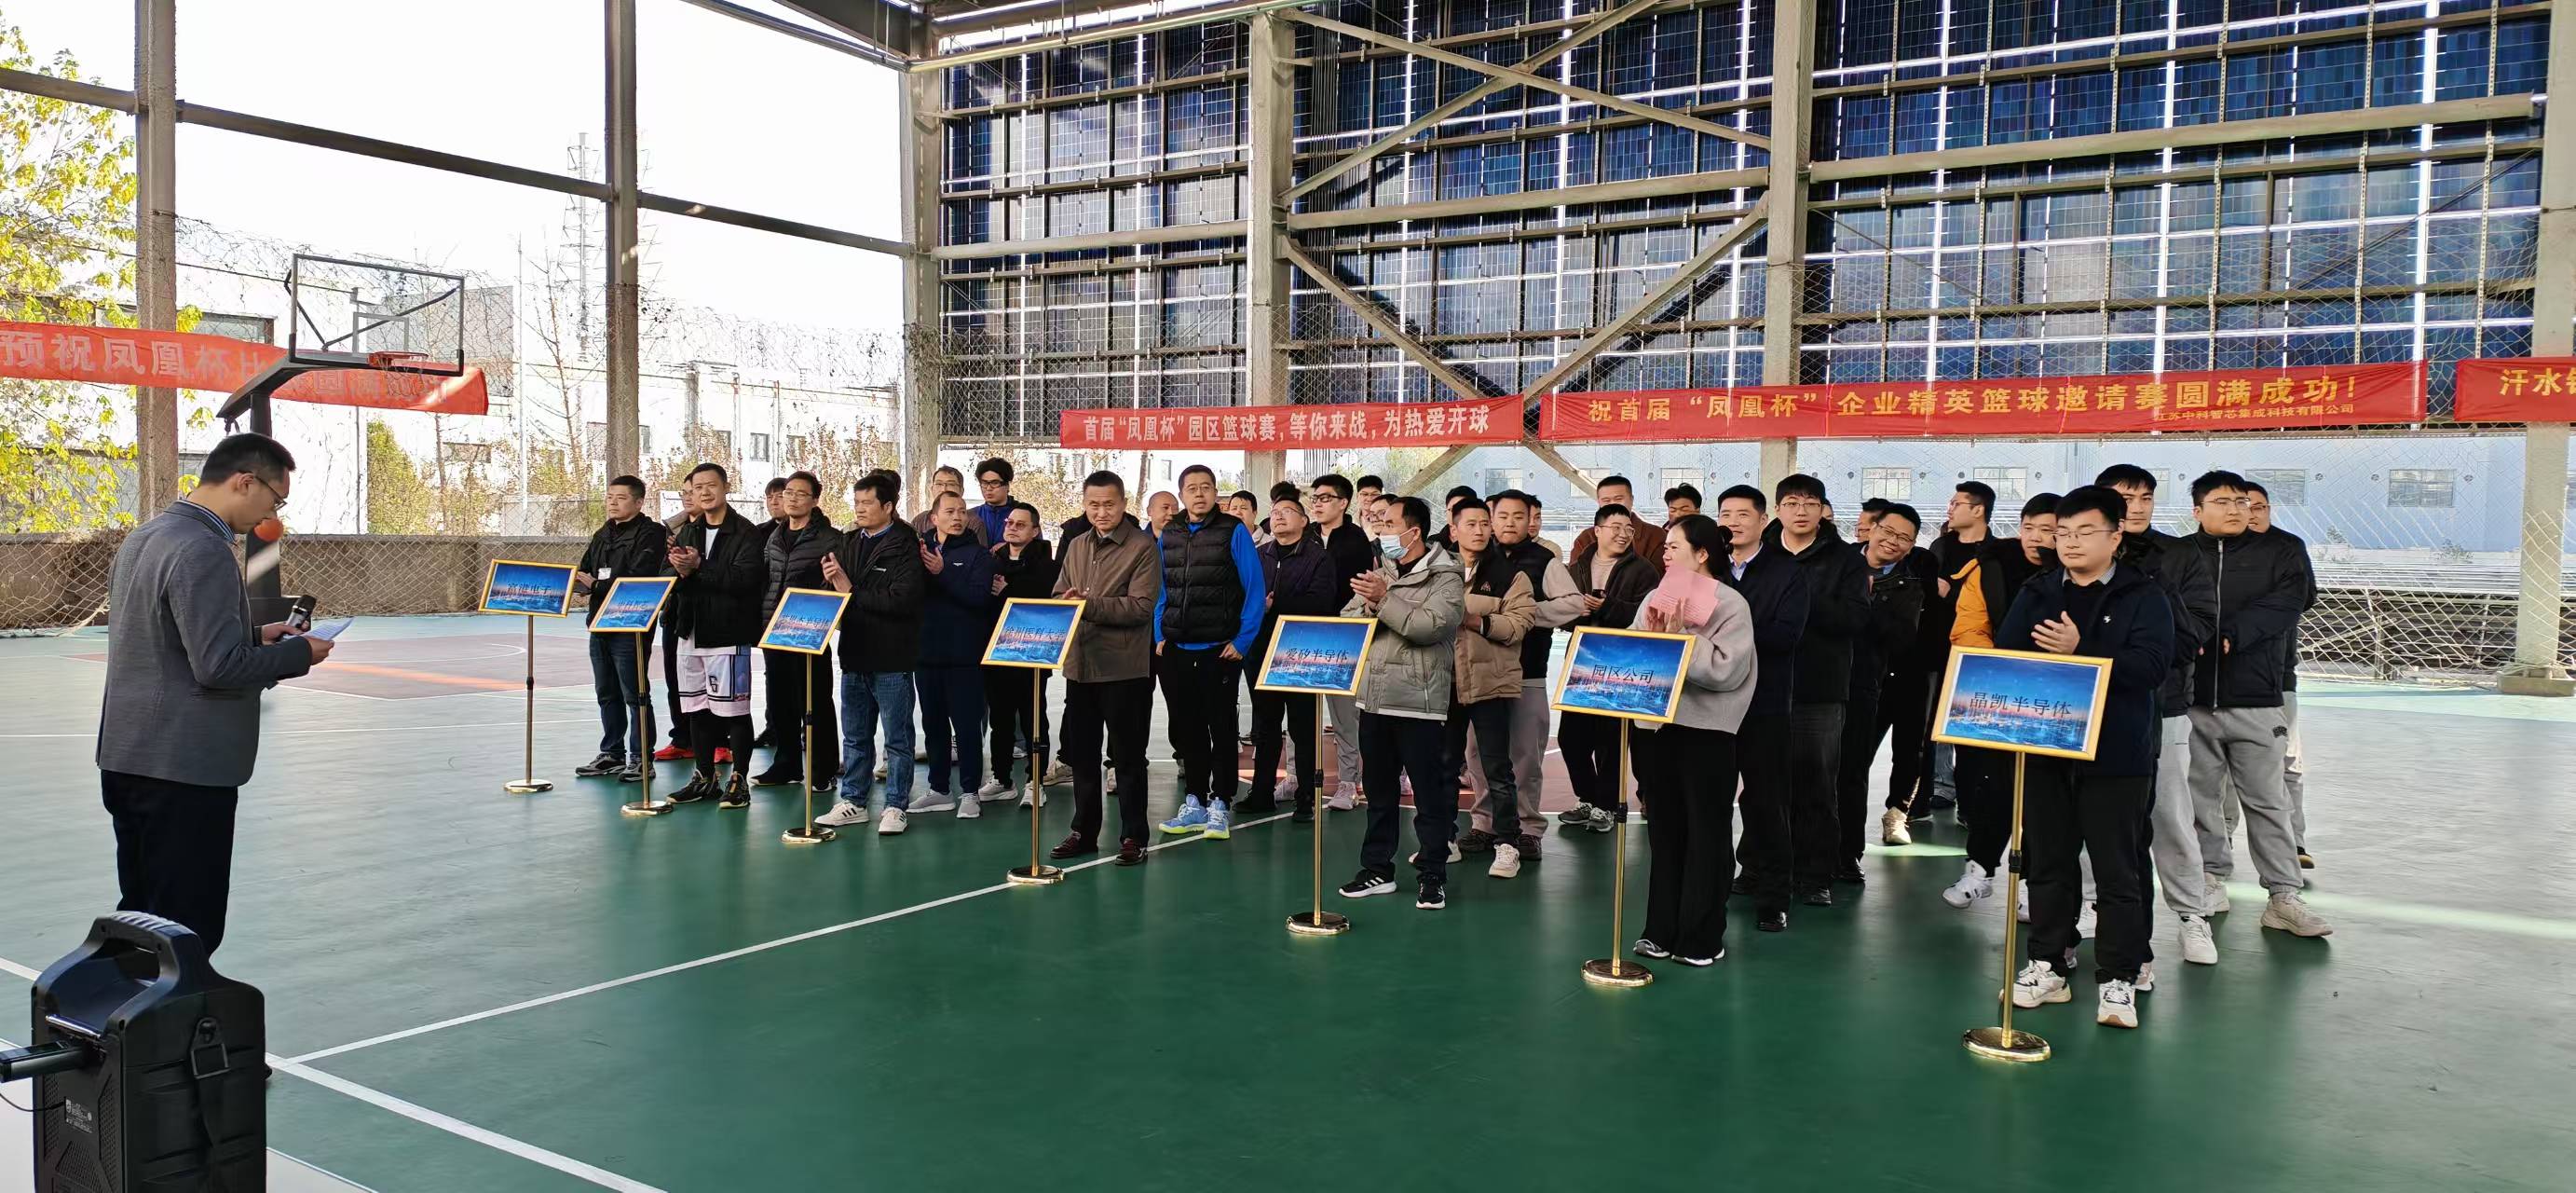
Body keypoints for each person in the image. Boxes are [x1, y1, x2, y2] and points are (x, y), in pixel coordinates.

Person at [97, 432, 333, 953]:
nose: (271, 514)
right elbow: (218, 667)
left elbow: (164, 639)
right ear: (245, 482)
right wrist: (298, 654)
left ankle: (125, 1001)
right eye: (275, 499)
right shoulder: (205, 549)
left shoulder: (146, 537)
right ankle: (173, 1006)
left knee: (142, 917)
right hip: (183, 768)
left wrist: (255, 635)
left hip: (128, 757)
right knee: (186, 929)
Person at [1996, 486, 2172, 1029]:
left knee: (2118, 869)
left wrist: (2083, 652)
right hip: (2047, 747)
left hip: (2116, 754)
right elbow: (2006, 652)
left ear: (2116, 537)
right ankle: (2048, 963)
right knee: (2048, 861)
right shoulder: (2038, 590)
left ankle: (2119, 975)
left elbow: (2151, 668)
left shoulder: (2144, 595)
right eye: (2062, 533)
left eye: (2085, 532)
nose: (2070, 543)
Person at [2181, 470, 2332, 938]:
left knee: (2268, 801)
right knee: (2201, 800)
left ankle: (2284, 895)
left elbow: (2291, 602)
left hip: (2258, 697)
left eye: (2241, 502)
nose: (2235, 509)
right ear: (2197, 510)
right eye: (2222, 502)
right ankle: (2210, 879)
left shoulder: (2281, 551)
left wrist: (2233, 634)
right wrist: (2192, 637)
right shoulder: (2178, 555)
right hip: (2192, 700)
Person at [2096, 462, 2226, 961]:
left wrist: (2145, 616)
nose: (2136, 507)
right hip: (2089, 705)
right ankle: (2088, 902)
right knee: (2090, 814)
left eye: (2145, 497)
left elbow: (2196, 630)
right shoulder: (2082, 552)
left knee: (2170, 812)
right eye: (2124, 497)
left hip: (2162, 703)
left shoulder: (2179, 556)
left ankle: (2192, 914)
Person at [1629, 514, 1758, 966]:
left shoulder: (1731, 604)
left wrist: (1682, 637)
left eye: (1674, 546)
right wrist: (1651, 638)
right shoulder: (1655, 597)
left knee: (1707, 833)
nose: (1665, 553)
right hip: (1657, 727)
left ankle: (1702, 937)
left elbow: (1726, 671)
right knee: (1665, 832)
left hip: (1708, 732)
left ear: (1702, 554)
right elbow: (1636, 651)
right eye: (1665, 546)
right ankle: (1660, 931)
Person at [1336, 496, 1465, 910]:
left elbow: (1429, 627)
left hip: (1419, 702)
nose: (1382, 530)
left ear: (1414, 531)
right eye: (1379, 523)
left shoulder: (1446, 577)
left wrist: (1383, 599)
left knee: (1429, 796)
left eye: (1389, 523)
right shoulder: (1380, 573)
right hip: (1374, 699)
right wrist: (1371, 602)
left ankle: (1432, 874)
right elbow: (1348, 620)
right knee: (1378, 793)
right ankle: (1377, 869)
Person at [1928, 494, 2056, 907]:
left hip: (2056, 696)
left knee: (2042, 793)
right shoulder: (1990, 566)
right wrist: (2001, 664)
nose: (2037, 538)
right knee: (1991, 785)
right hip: (1998, 691)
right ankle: (1980, 868)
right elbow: (1968, 627)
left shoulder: (2071, 572)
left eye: (2048, 531)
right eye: (2029, 528)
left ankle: (2034, 884)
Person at [1765, 474, 1868, 906]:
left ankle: (1815, 875)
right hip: (1764, 686)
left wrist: (1799, 597)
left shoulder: (1846, 560)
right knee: (1765, 785)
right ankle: (1760, 868)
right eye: (1792, 503)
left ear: (1823, 510)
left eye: (1810, 503)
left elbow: (1856, 619)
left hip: (1820, 688)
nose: (1801, 511)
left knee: (1818, 785)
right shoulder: (1761, 554)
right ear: (1778, 510)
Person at [1052, 472, 1164, 865]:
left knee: (1128, 758)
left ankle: (1134, 836)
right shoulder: (1077, 544)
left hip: (1123, 670)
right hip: (1080, 667)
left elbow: (1141, 607)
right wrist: (1066, 601)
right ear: (1085, 504)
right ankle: (1083, 832)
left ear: (1123, 504)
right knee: (1083, 757)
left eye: (1109, 504)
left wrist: (1086, 605)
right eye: (1094, 505)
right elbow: (1059, 593)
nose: (1101, 512)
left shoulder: (1142, 547)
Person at [1464, 490, 1583, 859]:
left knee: (1525, 755)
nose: (1510, 523)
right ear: (1491, 519)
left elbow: (1573, 604)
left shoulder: (1545, 561)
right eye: (1502, 516)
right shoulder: (1476, 559)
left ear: (1531, 520)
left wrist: (1525, 615)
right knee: (1478, 753)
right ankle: (1484, 823)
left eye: (1519, 516)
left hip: (1527, 671)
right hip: (1480, 673)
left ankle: (1528, 828)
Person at [1712, 485, 1810, 933]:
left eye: (1742, 515)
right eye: (1725, 514)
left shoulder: (1787, 571)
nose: (1733, 523)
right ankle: (1722, 884)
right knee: (1714, 800)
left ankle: (1774, 897)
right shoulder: (1709, 569)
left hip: (1764, 704)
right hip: (1711, 704)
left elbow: (1786, 637)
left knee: (1767, 802)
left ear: (1763, 520)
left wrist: (1726, 640)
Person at [1152, 464, 1268, 839]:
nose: (1199, 494)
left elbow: (1254, 589)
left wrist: (1242, 641)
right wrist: (1159, 633)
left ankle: (1221, 802)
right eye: (1192, 488)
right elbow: (1161, 587)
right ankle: (1195, 802)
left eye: (1206, 487)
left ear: (1216, 493)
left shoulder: (1233, 530)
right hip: (1176, 648)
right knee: (1187, 729)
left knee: (1221, 727)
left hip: (1220, 649)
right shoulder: (1170, 533)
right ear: (1182, 495)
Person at [818, 472, 928, 834]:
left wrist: (848, 590)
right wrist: (831, 583)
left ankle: (896, 805)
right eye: (857, 503)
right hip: (854, 653)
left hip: (892, 656)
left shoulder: (906, 547)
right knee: (855, 736)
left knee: (897, 738)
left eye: (867, 503)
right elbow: (837, 593)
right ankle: (853, 800)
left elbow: (901, 600)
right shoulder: (848, 543)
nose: (860, 509)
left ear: (888, 506)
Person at [1444, 497, 1537, 878]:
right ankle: (1443, 839)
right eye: (1471, 524)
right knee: (1444, 765)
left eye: (1486, 523)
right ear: (1453, 530)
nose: (1481, 530)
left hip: (1490, 684)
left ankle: (1507, 844)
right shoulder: (1438, 571)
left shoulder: (1511, 576)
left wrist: (1476, 621)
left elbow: (1519, 624)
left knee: (1498, 768)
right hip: (1446, 683)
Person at [667, 462, 768, 808]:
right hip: (690, 632)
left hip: (727, 633)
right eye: (698, 488)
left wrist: (699, 567)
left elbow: (745, 580)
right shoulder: (689, 531)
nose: (705, 492)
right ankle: (704, 776)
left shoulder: (745, 532)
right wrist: (680, 571)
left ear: (726, 487)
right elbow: (671, 575)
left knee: (734, 710)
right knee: (697, 708)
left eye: (711, 485)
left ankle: (739, 779)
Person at [1835, 501, 1927, 882]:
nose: (1893, 541)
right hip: (1823, 681)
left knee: (1853, 771)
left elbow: (1901, 638)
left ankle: (1847, 855)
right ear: (1871, 529)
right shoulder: (1837, 564)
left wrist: (1864, 606)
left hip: (1867, 685)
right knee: (1813, 769)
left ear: (1911, 546)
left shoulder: (1909, 585)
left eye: (1904, 538)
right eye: (1887, 531)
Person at [1559, 503, 1660, 830]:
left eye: (1628, 529)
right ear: (1597, 530)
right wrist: (1577, 611)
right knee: (1570, 738)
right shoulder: (1577, 567)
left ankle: (1606, 805)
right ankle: (1587, 798)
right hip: (1581, 660)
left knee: (1610, 741)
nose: (1623, 534)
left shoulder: (1643, 570)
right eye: (1615, 527)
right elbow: (1559, 613)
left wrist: (1608, 606)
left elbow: (1647, 615)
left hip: (1620, 663)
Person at [1248, 490, 1343, 821]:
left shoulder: (1319, 558)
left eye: (1287, 510)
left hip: (1300, 653)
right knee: (1265, 726)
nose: (1278, 515)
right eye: (1275, 511)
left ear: (1304, 521)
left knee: (1303, 729)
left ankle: (1306, 799)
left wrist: (1274, 606)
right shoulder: (1258, 555)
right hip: (1261, 650)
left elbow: (1322, 603)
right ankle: (1261, 793)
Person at [2238, 482, 2317, 868]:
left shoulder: (2288, 548)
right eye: (2244, 506)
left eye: (2260, 507)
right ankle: (2216, 852)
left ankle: (2294, 844)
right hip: (2221, 681)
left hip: (2277, 676)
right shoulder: (2213, 552)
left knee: (2287, 761)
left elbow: (2304, 598)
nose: (2252, 514)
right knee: (2218, 774)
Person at [748, 471, 842, 792]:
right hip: (774, 630)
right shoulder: (774, 536)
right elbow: (767, 578)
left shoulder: (829, 538)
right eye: (788, 492)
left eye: (801, 493)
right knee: (780, 702)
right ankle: (786, 764)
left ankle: (823, 769)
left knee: (815, 702)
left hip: (809, 630)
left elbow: (832, 584)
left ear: (815, 500)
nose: (792, 498)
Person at [573, 473, 670, 783]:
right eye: (610, 497)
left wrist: (597, 585)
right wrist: (581, 584)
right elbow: (585, 568)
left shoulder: (652, 534)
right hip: (599, 622)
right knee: (606, 691)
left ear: (639, 502)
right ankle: (611, 754)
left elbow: (639, 577)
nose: (613, 503)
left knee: (635, 693)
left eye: (621, 498)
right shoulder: (603, 533)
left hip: (631, 625)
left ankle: (641, 758)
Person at [914, 491, 1000, 816]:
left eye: (962, 511)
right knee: (933, 725)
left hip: (964, 656)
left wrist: (943, 572)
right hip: (926, 654)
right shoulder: (918, 550)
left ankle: (970, 792)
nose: (958, 517)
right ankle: (939, 789)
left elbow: (979, 599)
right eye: (950, 511)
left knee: (966, 727)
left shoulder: (979, 556)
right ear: (933, 518)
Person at [982, 501, 1059, 806]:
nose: (1012, 528)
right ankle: (1001, 779)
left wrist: (1008, 592)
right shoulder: (993, 561)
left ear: (1035, 531)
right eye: (1009, 523)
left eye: (1020, 524)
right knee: (1000, 721)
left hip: (1032, 656)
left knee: (1033, 721)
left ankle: (1035, 781)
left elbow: (1042, 603)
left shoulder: (1047, 566)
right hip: (998, 655)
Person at [1307, 473, 1375, 811]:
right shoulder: (1306, 535)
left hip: (1342, 636)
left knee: (1345, 716)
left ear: (1343, 503)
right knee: (1301, 714)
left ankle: (1349, 782)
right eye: (1314, 498)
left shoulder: (1356, 540)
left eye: (1325, 498)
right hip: (1304, 634)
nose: (1318, 504)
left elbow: (1357, 589)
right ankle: (1296, 777)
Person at [1568, 473, 1667, 569]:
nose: (1613, 505)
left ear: (1632, 500)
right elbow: (1574, 576)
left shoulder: (1656, 536)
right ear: (1599, 503)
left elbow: (1661, 577)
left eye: (1618, 499)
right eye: (1606, 501)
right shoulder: (1586, 538)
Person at [913, 464, 990, 546]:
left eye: (951, 484)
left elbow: (979, 553)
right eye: (939, 484)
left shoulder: (974, 523)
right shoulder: (920, 521)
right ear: (932, 489)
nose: (944, 489)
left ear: (961, 490)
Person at [972, 457, 1017, 544]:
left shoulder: (1024, 514)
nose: (989, 488)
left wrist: (1010, 547)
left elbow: (1038, 547)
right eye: (984, 483)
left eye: (995, 483)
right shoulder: (971, 515)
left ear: (1007, 486)